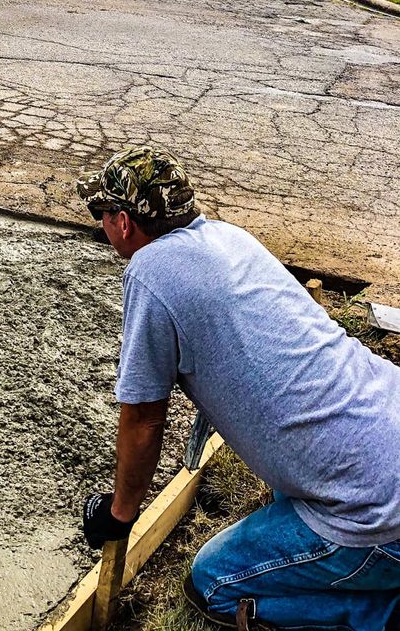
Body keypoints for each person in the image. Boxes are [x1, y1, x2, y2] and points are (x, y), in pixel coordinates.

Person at [76, 145, 400, 631]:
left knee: (213, 585)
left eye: (101, 213)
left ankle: (382, 615)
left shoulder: (150, 273)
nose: (101, 225)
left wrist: (120, 515)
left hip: (377, 517)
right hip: (384, 428)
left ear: (124, 222)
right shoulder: (229, 238)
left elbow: (143, 419)